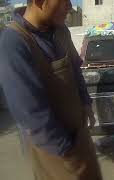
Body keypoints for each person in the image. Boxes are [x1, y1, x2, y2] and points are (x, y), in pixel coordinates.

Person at [0, 1, 102, 180]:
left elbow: (75, 70)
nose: (70, 6)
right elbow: (31, 113)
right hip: (54, 151)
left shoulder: (62, 31)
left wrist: (86, 103)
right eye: (64, 1)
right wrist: (68, 153)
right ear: (40, 2)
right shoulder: (14, 41)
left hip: (79, 136)